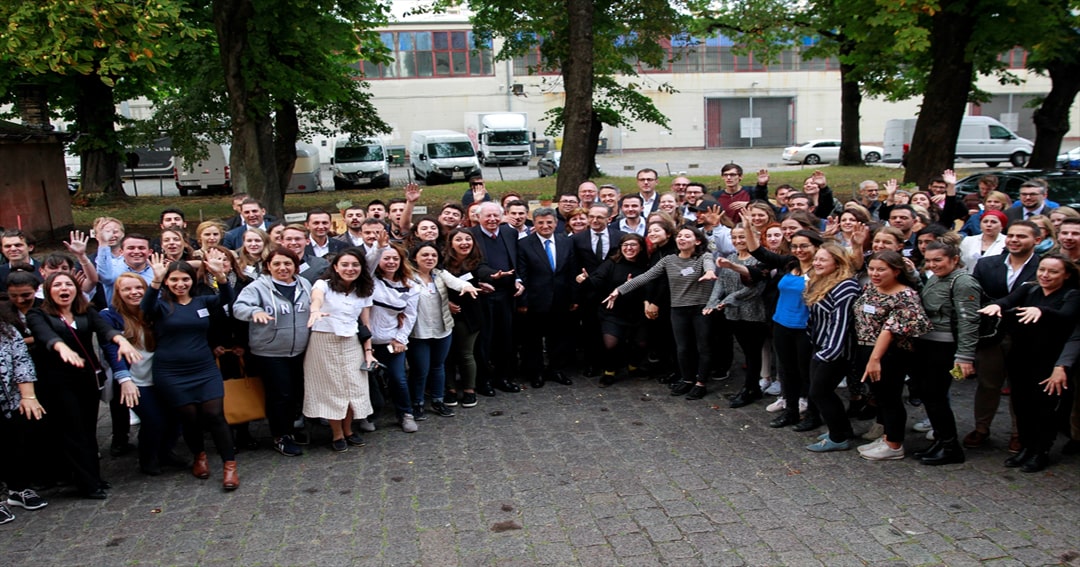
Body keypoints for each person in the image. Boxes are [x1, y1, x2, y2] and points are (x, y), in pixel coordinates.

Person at [27, 273, 141, 499]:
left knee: (88, 430)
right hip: (57, 383)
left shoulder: (85, 311)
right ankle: (85, 483)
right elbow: (45, 335)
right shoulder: (38, 314)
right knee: (73, 431)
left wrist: (121, 340)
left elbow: (104, 330)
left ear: (76, 289)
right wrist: (61, 347)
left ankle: (94, 477)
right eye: (57, 284)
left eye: (68, 284)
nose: (63, 288)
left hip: (86, 380)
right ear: (48, 290)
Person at [141, 251, 239, 490]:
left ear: (192, 281)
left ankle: (229, 465)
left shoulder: (202, 302)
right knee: (190, 417)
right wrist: (154, 281)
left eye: (185, 279)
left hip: (204, 368)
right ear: (167, 282)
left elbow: (228, 301)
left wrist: (220, 276)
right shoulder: (161, 306)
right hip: (172, 372)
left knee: (215, 415)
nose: (180, 284)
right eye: (173, 280)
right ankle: (200, 456)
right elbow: (145, 307)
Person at [978, 254, 1080, 472]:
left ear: (1066, 274)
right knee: (1021, 404)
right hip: (1021, 357)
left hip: (1050, 361)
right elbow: (1006, 301)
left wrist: (1041, 311)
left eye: (1053, 271)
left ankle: (1040, 451)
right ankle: (1026, 446)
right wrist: (996, 307)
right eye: (1042, 270)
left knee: (1044, 407)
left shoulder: (1072, 295)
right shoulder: (1029, 289)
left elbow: (1067, 318)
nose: (1045, 275)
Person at [604, 227, 717, 400]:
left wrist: (710, 272)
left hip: (701, 309)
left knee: (703, 347)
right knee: (682, 347)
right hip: (678, 309)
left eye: (687, 236)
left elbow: (710, 265)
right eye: (680, 236)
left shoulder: (704, 257)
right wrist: (619, 290)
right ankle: (686, 380)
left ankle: (700, 383)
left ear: (698, 241)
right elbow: (645, 277)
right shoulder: (669, 260)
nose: (682, 239)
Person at [964, 220, 1040, 451]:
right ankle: (981, 428)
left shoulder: (1043, 266)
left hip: (1028, 336)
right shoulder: (986, 265)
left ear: (1036, 240)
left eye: (1022, 236)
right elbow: (976, 297)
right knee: (988, 384)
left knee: (1022, 387)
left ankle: (1019, 432)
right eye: (1012, 235)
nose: (1014, 240)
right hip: (992, 335)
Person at [98, 273, 184, 476]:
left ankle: (165, 453)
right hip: (135, 380)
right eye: (126, 289)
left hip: (163, 376)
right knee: (154, 420)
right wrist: (124, 379)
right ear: (118, 293)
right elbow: (111, 350)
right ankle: (148, 459)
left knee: (177, 417)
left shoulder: (156, 311)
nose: (134, 292)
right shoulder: (109, 316)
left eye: (138, 288)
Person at [233, 247, 313, 457]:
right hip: (269, 352)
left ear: (295, 266)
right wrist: (254, 311)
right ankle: (280, 436)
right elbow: (238, 308)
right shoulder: (258, 287)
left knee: (296, 392)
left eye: (287, 263)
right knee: (281, 394)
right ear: (268, 266)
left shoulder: (304, 284)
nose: (282, 268)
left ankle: (292, 429)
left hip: (300, 350)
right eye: (276, 264)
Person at [745, 217, 823, 431]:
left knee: (807, 373)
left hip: (806, 328)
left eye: (805, 246)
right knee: (787, 371)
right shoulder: (789, 263)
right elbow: (758, 252)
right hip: (781, 324)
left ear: (817, 247)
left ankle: (813, 415)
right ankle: (791, 412)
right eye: (796, 246)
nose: (799, 250)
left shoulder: (823, 270)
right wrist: (748, 228)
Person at [853, 251, 933, 461]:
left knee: (890, 397)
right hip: (866, 348)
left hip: (889, 354)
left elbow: (891, 329)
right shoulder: (872, 287)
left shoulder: (905, 296)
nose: (875, 273)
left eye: (881, 269)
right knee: (880, 396)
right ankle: (888, 435)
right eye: (872, 269)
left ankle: (894, 444)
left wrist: (875, 359)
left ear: (896, 271)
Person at [910, 241, 982, 465]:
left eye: (938, 260)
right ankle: (941, 441)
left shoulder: (963, 282)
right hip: (928, 344)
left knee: (936, 396)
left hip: (945, 348)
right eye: (929, 260)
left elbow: (969, 321)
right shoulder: (936, 277)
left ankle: (951, 447)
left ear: (954, 259)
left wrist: (965, 357)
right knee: (929, 395)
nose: (932, 265)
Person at [303, 248, 376, 452]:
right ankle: (337, 434)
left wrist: (368, 351)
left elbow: (365, 324)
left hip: (352, 343)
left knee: (354, 387)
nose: (350, 269)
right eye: (344, 264)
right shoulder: (322, 285)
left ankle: (349, 430)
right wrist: (315, 310)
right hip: (324, 342)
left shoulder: (364, 290)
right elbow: (316, 298)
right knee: (333, 390)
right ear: (335, 267)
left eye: (355, 265)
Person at [407, 242, 480, 417]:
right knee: (420, 369)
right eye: (425, 255)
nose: (429, 258)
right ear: (415, 258)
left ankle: (438, 401)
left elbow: (456, 283)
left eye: (433, 255)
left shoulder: (440, 274)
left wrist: (466, 287)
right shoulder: (407, 276)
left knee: (438, 367)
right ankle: (417, 403)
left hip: (442, 329)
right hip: (418, 331)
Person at [802, 243, 861, 450]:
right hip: (820, 345)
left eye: (822, 260)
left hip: (837, 351)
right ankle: (843, 429)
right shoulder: (822, 281)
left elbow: (841, 322)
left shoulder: (846, 286)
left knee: (820, 392)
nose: (816, 263)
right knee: (819, 390)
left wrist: (828, 354)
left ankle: (838, 438)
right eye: (816, 259)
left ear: (837, 262)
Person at [705, 226, 768, 407]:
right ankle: (752, 387)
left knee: (752, 353)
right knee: (746, 350)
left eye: (743, 237)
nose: (739, 240)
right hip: (733, 313)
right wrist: (712, 302)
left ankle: (750, 388)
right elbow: (721, 283)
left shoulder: (759, 260)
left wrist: (728, 299)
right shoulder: (731, 258)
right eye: (735, 237)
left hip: (754, 313)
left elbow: (755, 289)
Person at [516, 208, 579, 388]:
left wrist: (574, 298)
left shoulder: (565, 242)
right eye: (541, 222)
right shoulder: (524, 245)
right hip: (535, 301)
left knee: (558, 337)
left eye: (549, 222)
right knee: (533, 339)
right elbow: (523, 275)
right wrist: (523, 301)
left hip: (561, 299)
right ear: (534, 224)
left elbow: (572, 271)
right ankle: (535, 372)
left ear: (556, 223)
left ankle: (556, 369)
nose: (545, 226)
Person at [577, 233, 649, 386]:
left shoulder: (647, 265)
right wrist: (586, 280)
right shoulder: (611, 263)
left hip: (638, 312)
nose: (629, 248)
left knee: (641, 343)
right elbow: (597, 280)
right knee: (611, 344)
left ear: (641, 247)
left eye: (633, 245)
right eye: (625, 245)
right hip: (613, 311)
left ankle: (633, 366)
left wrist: (632, 285)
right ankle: (609, 371)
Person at [0, 300, 47, 522]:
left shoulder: (6, 329)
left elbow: (21, 361)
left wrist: (28, 396)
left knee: (16, 443)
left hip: (10, 399)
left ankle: (18, 489)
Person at [442, 228, 495, 409]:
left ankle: (469, 390)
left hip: (470, 314)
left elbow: (484, 271)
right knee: (447, 354)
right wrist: (447, 302)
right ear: (451, 243)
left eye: (467, 239)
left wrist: (491, 277)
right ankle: (450, 389)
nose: (464, 243)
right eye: (459, 239)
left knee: (466, 353)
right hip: (445, 313)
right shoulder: (442, 262)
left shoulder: (477, 261)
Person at [370, 243, 421, 430]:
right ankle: (370, 416)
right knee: (370, 380)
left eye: (395, 258)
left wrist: (400, 339)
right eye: (386, 258)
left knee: (398, 378)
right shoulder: (369, 282)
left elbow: (410, 316)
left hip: (391, 341)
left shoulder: (411, 287)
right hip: (366, 343)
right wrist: (378, 249)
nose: (391, 262)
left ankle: (405, 414)